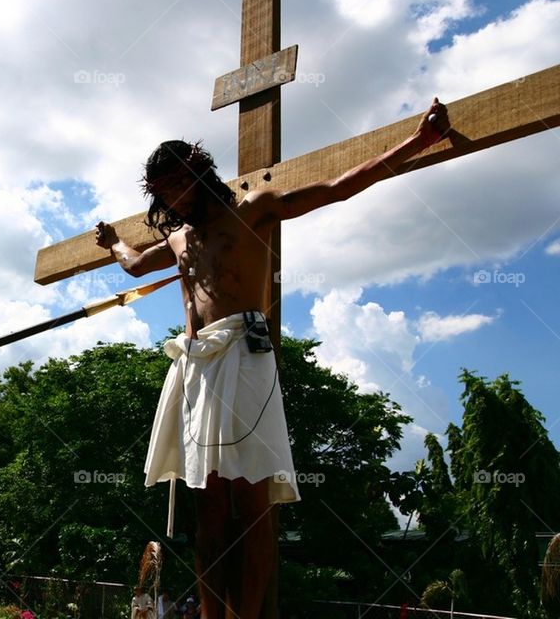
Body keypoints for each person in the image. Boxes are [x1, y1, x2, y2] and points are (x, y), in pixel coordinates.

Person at [95, 100, 448, 618]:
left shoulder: (252, 208)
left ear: (198, 172)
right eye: (164, 194)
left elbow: (338, 186)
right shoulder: (178, 237)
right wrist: (112, 244)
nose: (173, 201)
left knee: (251, 502)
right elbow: (132, 265)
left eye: (177, 187)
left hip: (242, 353)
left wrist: (418, 142)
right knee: (209, 506)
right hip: (195, 366)